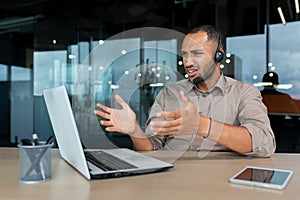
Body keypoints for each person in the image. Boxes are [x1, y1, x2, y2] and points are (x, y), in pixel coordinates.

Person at [94, 25, 276, 157]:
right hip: (169, 180)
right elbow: (151, 148)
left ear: (218, 55)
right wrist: (134, 131)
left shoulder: (244, 93)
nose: (187, 62)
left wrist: (202, 125)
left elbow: (265, 144)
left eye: (197, 53)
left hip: (220, 183)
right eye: (185, 55)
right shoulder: (169, 93)